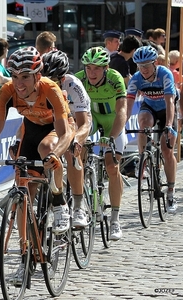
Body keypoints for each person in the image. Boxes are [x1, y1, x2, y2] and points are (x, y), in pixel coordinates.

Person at [0, 46, 74, 234]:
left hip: (56, 127)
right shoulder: (7, 91)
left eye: (25, 76)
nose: (19, 83)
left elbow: (65, 134)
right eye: (15, 76)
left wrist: (54, 155)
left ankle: (60, 203)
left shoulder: (50, 89)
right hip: (32, 127)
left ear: (37, 76)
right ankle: (25, 250)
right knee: (24, 188)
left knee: (47, 148)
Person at [75, 46, 127, 241]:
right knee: (77, 152)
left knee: (112, 166)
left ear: (105, 68)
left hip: (113, 120)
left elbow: (122, 110)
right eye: (88, 68)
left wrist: (112, 137)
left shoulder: (115, 78)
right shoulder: (79, 79)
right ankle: (79, 206)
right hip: (93, 119)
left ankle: (115, 219)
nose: (91, 72)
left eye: (96, 68)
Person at [41, 49, 92, 227]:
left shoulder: (73, 85)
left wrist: (77, 140)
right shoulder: (40, 85)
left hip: (77, 119)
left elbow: (83, 123)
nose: (49, 83)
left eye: (54, 80)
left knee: (72, 151)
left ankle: (79, 206)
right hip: (55, 119)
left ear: (63, 78)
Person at [127, 46, 178, 214]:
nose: (144, 70)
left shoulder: (165, 74)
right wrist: (121, 126)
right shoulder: (136, 78)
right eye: (140, 66)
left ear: (155, 63)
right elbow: (128, 107)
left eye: (147, 65)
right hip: (149, 107)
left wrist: (169, 125)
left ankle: (170, 192)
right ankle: (144, 159)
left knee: (166, 149)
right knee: (143, 122)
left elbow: (170, 102)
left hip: (166, 111)